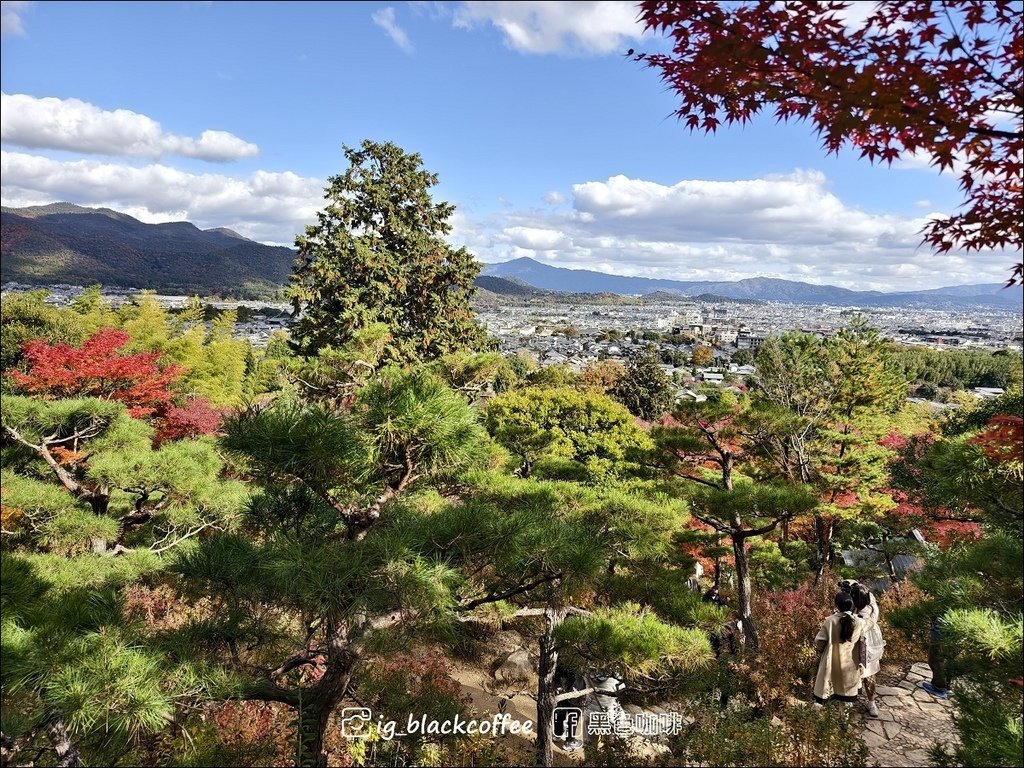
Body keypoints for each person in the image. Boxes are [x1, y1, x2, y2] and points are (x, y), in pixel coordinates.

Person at [814, 592, 865, 706]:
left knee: (827, 689)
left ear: (836, 605)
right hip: (851, 663)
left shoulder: (830, 621)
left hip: (832, 660)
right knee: (846, 695)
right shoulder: (859, 622)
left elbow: (820, 641)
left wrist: (820, 650)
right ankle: (844, 721)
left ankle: (823, 720)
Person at [851, 583, 885, 716]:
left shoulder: (855, 616)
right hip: (872, 645)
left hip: (859, 645)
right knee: (869, 674)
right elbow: (872, 599)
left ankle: (849, 699)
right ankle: (871, 703)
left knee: (853, 672)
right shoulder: (872, 610)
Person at [922, 616, 952, 698]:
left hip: (941, 628)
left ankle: (939, 687)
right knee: (948, 657)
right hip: (951, 628)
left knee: (936, 659)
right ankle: (947, 685)